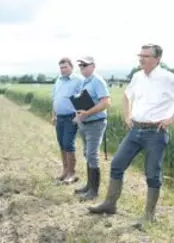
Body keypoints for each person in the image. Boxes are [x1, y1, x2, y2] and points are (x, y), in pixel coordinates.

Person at [88, 44, 174, 228]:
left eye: (146, 56)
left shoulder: (168, 78)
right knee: (117, 164)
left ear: (157, 59)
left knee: (152, 173)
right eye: (140, 55)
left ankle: (149, 216)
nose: (141, 59)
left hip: (155, 133)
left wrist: (169, 120)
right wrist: (127, 116)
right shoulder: (137, 76)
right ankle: (110, 204)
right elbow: (127, 96)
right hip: (135, 130)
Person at [73, 56, 111, 201]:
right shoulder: (85, 82)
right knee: (87, 153)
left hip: (96, 123)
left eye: (85, 65)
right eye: (80, 65)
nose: (82, 68)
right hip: (85, 123)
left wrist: (87, 113)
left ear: (93, 66)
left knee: (92, 154)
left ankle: (94, 191)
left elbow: (106, 102)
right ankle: (89, 186)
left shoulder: (97, 81)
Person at [52, 57, 83, 184]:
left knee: (68, 143)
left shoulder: (78, 80)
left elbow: (83, 99)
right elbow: (55, 98)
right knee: (61, 143)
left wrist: (79, 115)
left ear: (71, 67)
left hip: (71, 117)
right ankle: (65, 171)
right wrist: (53, 114)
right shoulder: (58, 81)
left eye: (65, 67)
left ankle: (72, 173)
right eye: (61, 67)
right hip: (59, 117)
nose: (63, 70)